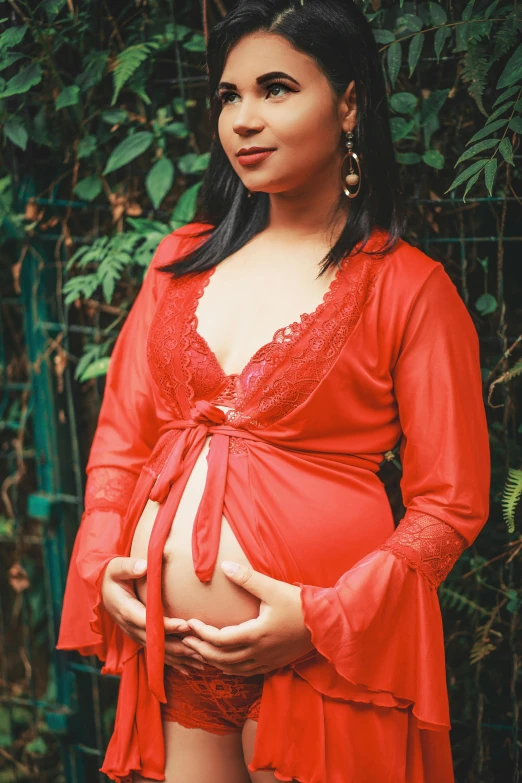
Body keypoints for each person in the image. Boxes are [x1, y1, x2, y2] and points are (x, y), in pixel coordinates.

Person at [56, 1, 491, 781]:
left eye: (277, 89)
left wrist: (323, 620)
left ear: (349, 102)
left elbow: (449, 504)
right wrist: (105, 572)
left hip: (325, 665)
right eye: (230, 96)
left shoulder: (410, 288)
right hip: (178, 661)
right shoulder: (177, 262)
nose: (244, 120)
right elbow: (120, 445)